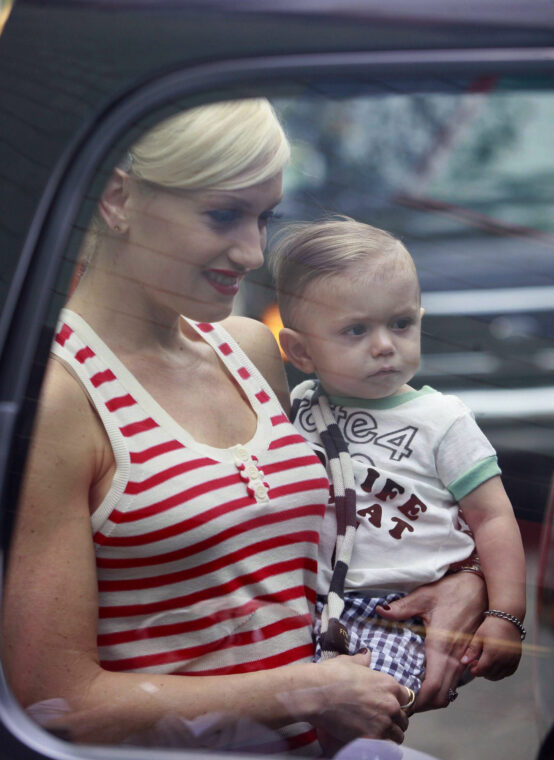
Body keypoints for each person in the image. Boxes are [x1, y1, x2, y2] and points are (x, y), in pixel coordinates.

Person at [2, 101, 486, 755]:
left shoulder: (252, 349)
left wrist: (457, 582)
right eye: (224, 214)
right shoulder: (62, 394)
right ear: (118, 198)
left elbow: (347, 536)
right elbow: (55, 703)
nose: (254, 252)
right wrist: (307, 692)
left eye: (265, 217)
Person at [271, 216, 526, 699]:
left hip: (399, 612)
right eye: (355, 330)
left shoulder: (442, 420)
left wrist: (505, 615)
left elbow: (492, 517)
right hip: (306, 607)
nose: (385, 345)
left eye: (401, 323)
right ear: (300, 351)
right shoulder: (298, 408)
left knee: (362, 708)